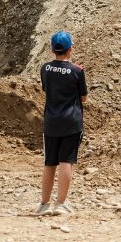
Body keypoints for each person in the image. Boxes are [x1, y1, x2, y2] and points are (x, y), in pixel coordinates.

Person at [35, 31, 87, 216]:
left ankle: (43, 204)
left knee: (50, 162)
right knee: (66, 161)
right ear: (70, 48)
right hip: (71, 122)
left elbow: (46, 88)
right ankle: (61, 203)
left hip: (51, 121)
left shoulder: (44, 69)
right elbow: (84, 97)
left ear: (52, 48)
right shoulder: (77, 71)